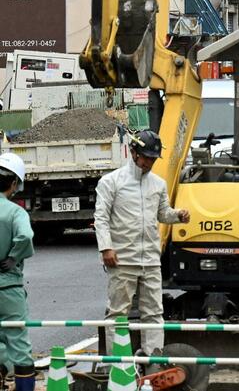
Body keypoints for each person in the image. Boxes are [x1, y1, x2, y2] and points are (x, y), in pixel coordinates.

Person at [94, 129, 190, 356]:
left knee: (154, 313)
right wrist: (106, 248)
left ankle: (153, 361)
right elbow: (101, 218)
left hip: (150, 259)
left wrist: (177, 215)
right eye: (146, 157)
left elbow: (162, 213)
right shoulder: (111, 182)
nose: (149, 163)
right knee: (118, 313)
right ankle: (118, 364)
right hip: (122, 258)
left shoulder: (158, 184)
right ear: (134, 152)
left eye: (152, 159)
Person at [0, 153, 35, 391]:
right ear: (14, 183)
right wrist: (13, 257)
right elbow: (25, 236)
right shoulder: (15, 212)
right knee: (18, 343)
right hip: (8, 286)